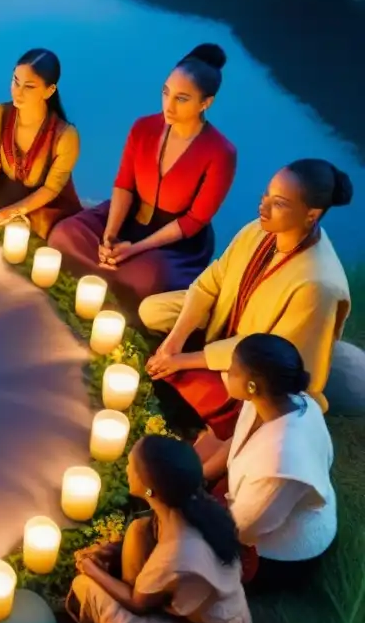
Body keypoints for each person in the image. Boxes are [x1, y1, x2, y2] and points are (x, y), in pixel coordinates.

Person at [141, 159, 352, 440]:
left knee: (224, 390)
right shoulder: (259, 229)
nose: (263, 208)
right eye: (265, 195)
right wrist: (174, 342)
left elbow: (263, 352)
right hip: (224, 320)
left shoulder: (317, 285)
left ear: (311, 214)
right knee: (152, 310)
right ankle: (190, 355)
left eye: (279, 203)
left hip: (258, 361)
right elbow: (210, 282)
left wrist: (182, 361)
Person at [48, 44, 237, 311]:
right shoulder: (144, 127)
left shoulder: (220, 152)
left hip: (173, 240)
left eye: (182, 98)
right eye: (165, 93)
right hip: (129, 217)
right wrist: (110, 236)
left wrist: (134, 249)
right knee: (64, 234)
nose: (168, 105)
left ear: (206, 103)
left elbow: (194, 220)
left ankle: (117, 276)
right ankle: (108, 260)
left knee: (150, 279)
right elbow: (124, 184)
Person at [68, 435, 250, 623]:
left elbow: (136, 603)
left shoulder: (178, 552)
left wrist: (90, 568)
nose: (127, 468)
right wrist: (117, 551)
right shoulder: (191, 505)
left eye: (132, 466)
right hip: (214, 617)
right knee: (137, 533)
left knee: (84, 587)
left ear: (149, 488)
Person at [200, 334, 336, 588]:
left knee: (185, 558)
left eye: (233, 369)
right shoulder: (278, 401)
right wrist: (202, 474)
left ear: (252, 385)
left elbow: (243, 528)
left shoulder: (282, 464)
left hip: (281, 550)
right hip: (259, 507)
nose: (227, 372)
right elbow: (240, 443)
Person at [0, 48, 82, 240]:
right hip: (7, 188)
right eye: (15, 81)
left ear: (49, 90)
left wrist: (2, 216)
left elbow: (50, 189)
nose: (17, 92)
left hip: (40, 204)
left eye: (29, 87)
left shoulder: (66, 136)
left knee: (49, 238)